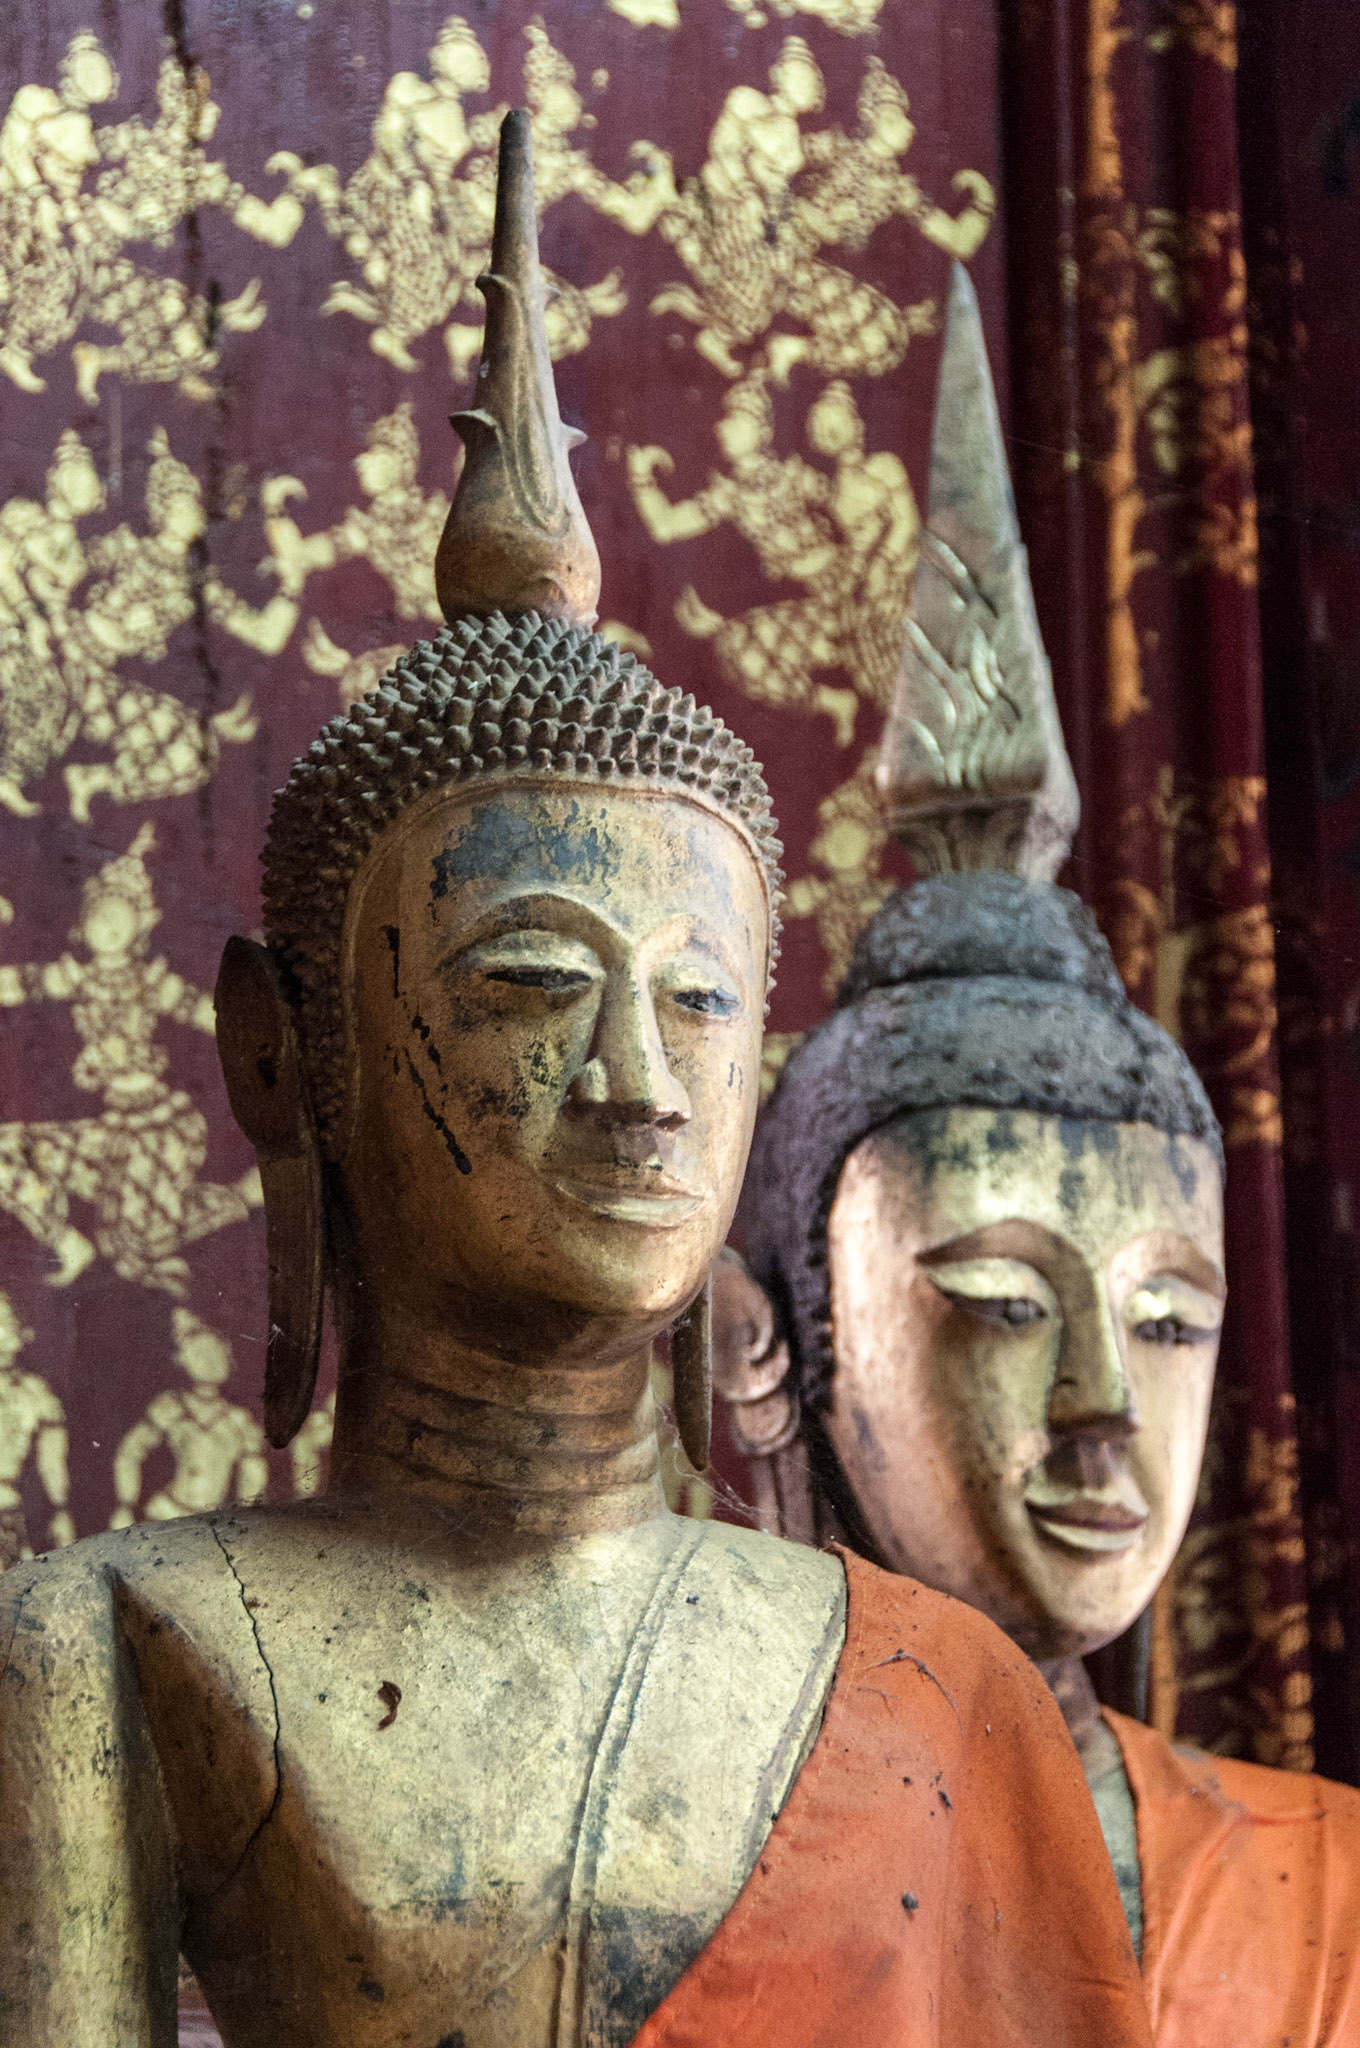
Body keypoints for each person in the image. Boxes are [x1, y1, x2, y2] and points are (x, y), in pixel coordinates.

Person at [0, 122, 1150, 2048]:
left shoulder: (937, 1695)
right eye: (534, 984)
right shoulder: (113, 1638)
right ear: (284, 1058)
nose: (640, 1086)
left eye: (700, 1005)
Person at [724, 266, 1360, 2048]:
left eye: (1172, 1320)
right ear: (769, 1344)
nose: (1103, 1408)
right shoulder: (651, 1876)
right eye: (1004, 1298)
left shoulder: (1331, 1887)